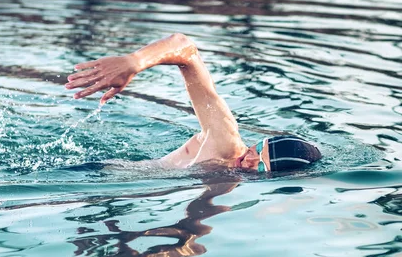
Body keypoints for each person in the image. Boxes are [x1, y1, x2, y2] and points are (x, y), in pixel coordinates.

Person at [65, 33, 322, 172]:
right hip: (90, 172)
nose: (249, 160)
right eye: (257, 149)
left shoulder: (226, 183)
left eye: (262, 165)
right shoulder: (227, 143)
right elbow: (185, 47)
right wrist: (134, 62)